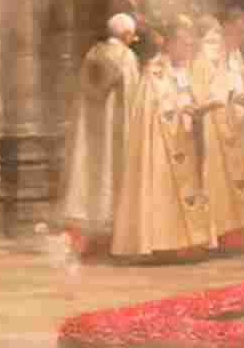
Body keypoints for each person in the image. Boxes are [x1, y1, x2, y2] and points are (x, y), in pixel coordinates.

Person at [111, 17, 214, 258]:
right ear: (169, 44)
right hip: (162, 145)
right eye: (183, 43)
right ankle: (166, 243)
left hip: (187, 136)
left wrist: (199, 107)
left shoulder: (185, 70)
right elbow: (153, 109)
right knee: (164, 191)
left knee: (193, 188)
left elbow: (189, 94)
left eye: (190, 44)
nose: (188, 48)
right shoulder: (153, 73)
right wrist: (182, 111)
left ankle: (190, 240)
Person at [57, 13, 141, 255]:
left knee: (90, 173)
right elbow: (134, 98)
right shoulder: (127, 58)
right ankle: (111, 236)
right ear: (126, 34)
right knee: (113, 175)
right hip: (116, 131)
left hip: (91, 131)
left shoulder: (92, 54)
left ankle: (86, 235)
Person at [192, 17, 244, 249]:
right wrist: (231, 96)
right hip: (214, 125)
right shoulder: (208, 53)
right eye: (240, 32)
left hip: (236, 124)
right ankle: (220, 233)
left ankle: (238, 230)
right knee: (217, 179)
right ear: (228, 30)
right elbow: (202, 89)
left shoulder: (235, 54)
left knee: (240, 178)